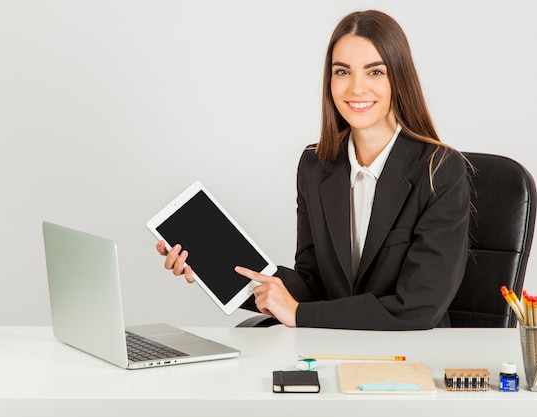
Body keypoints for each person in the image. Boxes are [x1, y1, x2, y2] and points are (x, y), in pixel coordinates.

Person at [156, 10, 470, 330]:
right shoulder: (315, 166)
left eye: (375, 72)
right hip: (331, 346)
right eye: (342, 71)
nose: (356, 88)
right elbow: (313, 285)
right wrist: (214, 269)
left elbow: (419, 306)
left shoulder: (440, 170)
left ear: (399, 78)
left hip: (410, 355)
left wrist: (299, 315)